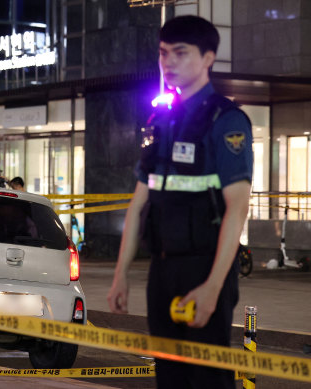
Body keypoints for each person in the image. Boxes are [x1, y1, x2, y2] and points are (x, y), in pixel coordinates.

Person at [106, 15, 252, 389]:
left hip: (205, 269)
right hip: (163, 270)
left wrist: (214, 286)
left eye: (180, 53)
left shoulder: (226, 120)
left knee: (207, 379)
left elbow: (237, 208)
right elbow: (139, 206)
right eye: (163, 53)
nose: (168, 62)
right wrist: (121, 273)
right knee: (169, 377)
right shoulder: (161, 122)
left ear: (207, 58)